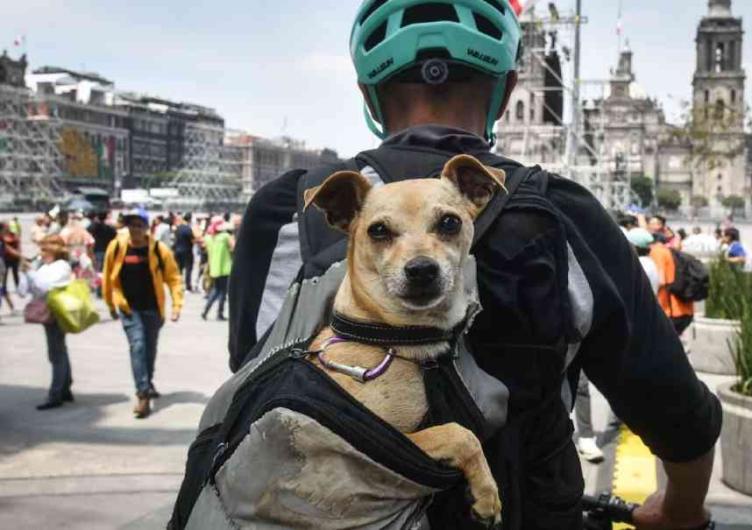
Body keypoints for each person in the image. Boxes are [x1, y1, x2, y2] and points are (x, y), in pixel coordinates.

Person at [224, 3, 720, 528]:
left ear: (367, 94)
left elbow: (252, 375)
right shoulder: (562, 214)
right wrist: (678, 509)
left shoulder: (288, 209)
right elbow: (677, 416)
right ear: (506, 93)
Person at [102, 208, 183, 419]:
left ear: (147, 228)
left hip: (153, 309)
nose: (135, 229)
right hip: (128, 308)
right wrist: (111, 304)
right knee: (137, 346)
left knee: (149, 350)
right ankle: (143, 394)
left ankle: (147, 381)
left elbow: (173, 278)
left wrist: (176, 306)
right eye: (131, 224)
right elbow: (108, 277)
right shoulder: (117, 247)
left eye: (139, 225)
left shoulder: (158, 249)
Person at [18, 235, 74, 410]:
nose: (40, 253)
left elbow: (44, 286)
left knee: (56, 353)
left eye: (44, 249)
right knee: (59, 350)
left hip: (56, 312)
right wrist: (25, 273)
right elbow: (24, 290)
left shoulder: (62, 266)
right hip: (47, 311)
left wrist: (30, 272)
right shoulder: (44, 266)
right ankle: (65, 387)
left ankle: (56, 393)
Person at [650, 236, 695, 335]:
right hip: (684, 309)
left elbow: (661, 281)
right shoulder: (670, 252)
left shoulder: (657, 252)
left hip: (670, 311)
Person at [202, 220, 234, 320]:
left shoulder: (211, 238)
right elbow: (233, 247)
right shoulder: (225, 236)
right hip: (225, 269)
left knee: (216, 290)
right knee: (223, 292)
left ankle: (205, 311)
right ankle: (219, 314)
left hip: (214, 269)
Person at [88, 211, 119, 296]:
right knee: (105, 271)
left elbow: (88, 234)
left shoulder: (93, 227)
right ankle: (103, 289)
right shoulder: (109, 228)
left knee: (98, 271)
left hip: (97, 251)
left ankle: (99, 290)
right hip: (107, 251)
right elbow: (115, 237)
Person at [1, 220, 22, 312]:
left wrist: (20, 256)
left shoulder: (3, 238)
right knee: (2, 286)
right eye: (6, 227)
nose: (8, 229)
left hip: (4, 263)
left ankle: (12, 307)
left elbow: (8, 248)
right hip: (4, 262)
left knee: (3, 287)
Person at [173, 213, 196, 292]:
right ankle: (188, 286)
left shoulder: (178, 228)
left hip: (177, 251)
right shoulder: (188, 229)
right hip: (187, 251)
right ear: (190, 219)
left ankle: (178, 285)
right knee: (188, 269)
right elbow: (193, 241)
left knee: (179, 269)